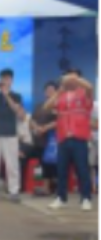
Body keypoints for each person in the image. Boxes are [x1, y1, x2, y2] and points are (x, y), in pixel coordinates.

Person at [47, 70, 94, 211]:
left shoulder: (84, 93)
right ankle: (61, 198)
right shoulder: (61, 96)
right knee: (61, 170)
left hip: (79, 137)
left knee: (82, 170)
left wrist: (75, 78)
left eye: (72, 78)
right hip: (63, 138)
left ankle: (86, 199)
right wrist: (58, 92)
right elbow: (47, 106)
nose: (68, 81)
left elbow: (90, 87)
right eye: (66, 79)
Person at [0, 69, 25, 203]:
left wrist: (7, 95)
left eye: (7, 79)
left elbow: (17, 110)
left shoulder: (16, 96)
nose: (5, 81)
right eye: (3, 79)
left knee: (12, 164)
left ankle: (14, 191)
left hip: (10, 133)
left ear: (11, 81)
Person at [22, 82, 59, 196]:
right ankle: (23, 186)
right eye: (47, 90)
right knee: (25, 155)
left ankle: (50, 186)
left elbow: (60, 121)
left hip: (52, 140)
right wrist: (36, 127)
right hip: (37, 140)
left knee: (49, 161)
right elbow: (31, 120)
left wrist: (45, 128)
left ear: (57, 92)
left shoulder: (58, 105)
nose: (49, 92)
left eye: (51, 90)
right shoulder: (39, 105)